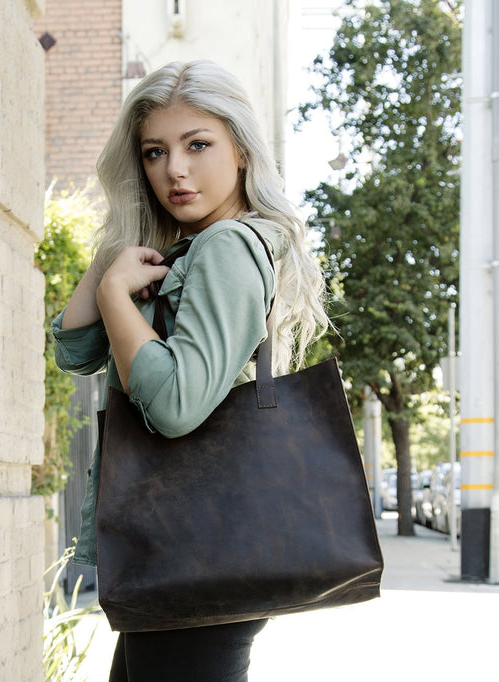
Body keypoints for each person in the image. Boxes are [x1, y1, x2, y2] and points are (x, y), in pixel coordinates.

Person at [51, 61, 330, 680]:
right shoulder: (182, 246)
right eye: (155, 152)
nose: (174, 169)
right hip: (179, 553)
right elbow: (75, 350)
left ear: (241, 150)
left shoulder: (227, 247)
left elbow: (176, 406)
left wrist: (117, 296)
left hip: (194, 550)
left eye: (197, 144)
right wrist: (118, 249)